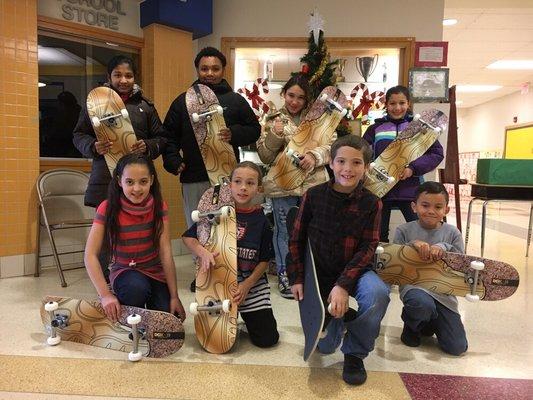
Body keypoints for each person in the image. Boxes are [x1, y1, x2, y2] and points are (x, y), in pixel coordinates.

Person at [288, 135, 390, 385]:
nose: (348, 169)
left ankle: (355, 353)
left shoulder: (372, 203)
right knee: (324, 347)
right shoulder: (312, 196)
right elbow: (296, 240)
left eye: (356, 163)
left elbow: (368, 247)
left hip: (354, 272)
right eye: (341, 161)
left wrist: (343, 285)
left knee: (378, 294)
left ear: (366, 168)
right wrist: (297, 277)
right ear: (331, 164)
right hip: (320, 273)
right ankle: (340, 317)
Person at [163, 46, 261, 291]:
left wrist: (235, 133)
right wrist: (174, 161)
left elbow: (255, 129)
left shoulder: (235, 101)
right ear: (197, 69)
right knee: (199, 225)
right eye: (204, 68)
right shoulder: (182, 102)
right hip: (194, 175)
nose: (209, 73)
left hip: (228, 176)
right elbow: (167, 137)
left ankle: (228, 270)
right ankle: (203, 273)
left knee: (226, 226)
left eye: (215, 68)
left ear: (223, 70)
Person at [73, 55, 167, 280]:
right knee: (106, 230)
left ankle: (141, 273)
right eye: (118, 75)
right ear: (109, 77)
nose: (123, 80)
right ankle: (107, 281)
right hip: (106, 177)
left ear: (134, 78)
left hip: (139, 180)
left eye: (128, 75)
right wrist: (93, 146)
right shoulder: (95, 105)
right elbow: (78, 135)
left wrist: (148, 146)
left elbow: (162, 138)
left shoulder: (145, 105)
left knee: (142, 228)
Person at [182, 161, 279, 348]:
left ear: (258, 189)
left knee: (267, 340)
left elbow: (265, 260)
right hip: (219, 280)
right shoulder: (215, 215)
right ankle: (234, 317)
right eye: (238, 182)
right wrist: (202, 253)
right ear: (230, 184)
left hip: (250, 283)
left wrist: (246, 286)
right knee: (215, 338)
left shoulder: (262, 221)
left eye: (250, 183)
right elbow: (188, 238)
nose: (243, 188)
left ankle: (244, 319)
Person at [256, 74, 336, 299]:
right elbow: (264, 155)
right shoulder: (273, 119)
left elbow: (332, 146)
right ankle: (285, 273)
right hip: (283, 184)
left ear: (307, 100)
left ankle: (311, 275)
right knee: (284, 230)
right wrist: (275, 134)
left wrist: (314, 155)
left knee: (315, 230)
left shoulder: (319, 120)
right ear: (283, 94)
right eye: (291, 95)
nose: (294, 101)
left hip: (314, 184)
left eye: (300, 97)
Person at [84, 153, 186, 322]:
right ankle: (125, 304)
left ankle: (145, 312)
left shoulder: (159, 207)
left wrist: (174, 296)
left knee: (170, 319)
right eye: (129, 182)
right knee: (135, 289)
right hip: (125, 272)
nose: (137, 189)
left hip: (155, 272)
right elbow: (90, 255)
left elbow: (166, 253)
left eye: (143, 182)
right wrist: (105, 295)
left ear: (151, 180)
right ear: (119, 181)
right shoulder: (107, 207)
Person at [393, 181, 467, 356]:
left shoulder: (453, 233)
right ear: (414, 206)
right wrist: (413, 245)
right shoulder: (403, 230)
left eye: (438, 206)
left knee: (457, 347)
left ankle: (428, 323)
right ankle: (412, 325)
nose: (431, 211)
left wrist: (443, 246)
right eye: (425, 205)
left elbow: (461, 265)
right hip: (414, 287)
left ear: (446, 210)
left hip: (444, 294)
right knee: (421, 304)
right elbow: (395, 264)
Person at [363, 85, 444, 242]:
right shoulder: (375, 128)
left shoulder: (421, 128)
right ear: (386, 105)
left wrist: (413, 168)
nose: (397, 108)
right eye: (392, 103)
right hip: (381, 190)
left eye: (402, 103)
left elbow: (436, 154)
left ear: (408, 104)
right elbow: (363, 152)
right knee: (378, 235)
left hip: (411, 189)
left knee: (419, 232)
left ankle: (419, 260)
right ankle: (381, 264)